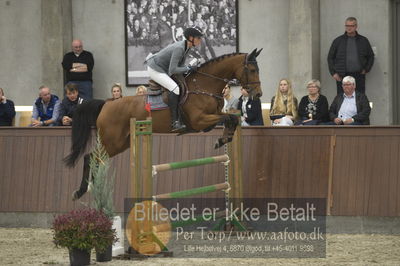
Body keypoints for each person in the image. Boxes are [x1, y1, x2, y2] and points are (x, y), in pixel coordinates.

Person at [146, 26, 203, 132]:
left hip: (163, 68)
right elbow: (173, 70)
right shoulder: (180, 48)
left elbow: (180, 65)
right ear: (191, 38)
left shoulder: (187, 47)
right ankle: (175, 122)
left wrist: (188, 70)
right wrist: (189, 68)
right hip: (155, 69)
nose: (200, 40)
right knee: (175, 88)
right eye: (198, 38)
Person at [327, 17, 374, 95]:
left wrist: (366, 69)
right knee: (342, 98)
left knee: (360, 97)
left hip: (359, 75)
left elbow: (371, 56)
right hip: (342, 75)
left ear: (356, 26)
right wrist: (333, 73)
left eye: (351, 26)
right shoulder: (338, 41)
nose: (349, 28)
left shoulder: (363, 40)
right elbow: (330, 57)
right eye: (347, 25)